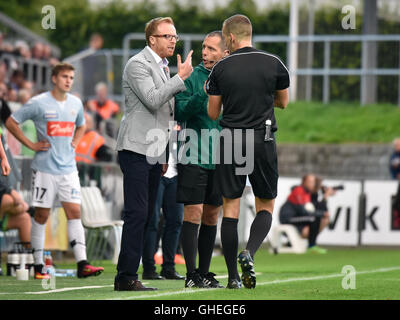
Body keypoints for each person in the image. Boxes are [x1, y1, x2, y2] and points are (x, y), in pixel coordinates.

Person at [206, 14, 290, 289]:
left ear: (230, 37)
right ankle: (249, 253)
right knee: (265, 204)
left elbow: (214, 112)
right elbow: (284, 102)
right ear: (249, 33)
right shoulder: (274, 63)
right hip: (262, 139)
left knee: (230, 207)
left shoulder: (221, 68)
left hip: (230, 139)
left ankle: (232, 278)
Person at [114, 17, 193, 292]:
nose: (173, 40)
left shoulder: (161, 66)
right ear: (152, 39)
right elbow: (153, 99)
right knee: (137, 213)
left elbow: (165, 115)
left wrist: (163, 154)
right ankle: (125, 276)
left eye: (175, 36)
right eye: (167, 36)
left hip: (152, 151)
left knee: (147, 215)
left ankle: (129, 273)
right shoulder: (137, 64)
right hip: (135, 148)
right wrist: (180, 78)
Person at [5, 62, 104, 280]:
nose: (68, 80)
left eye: (71, 77)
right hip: (44, 170)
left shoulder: (76, 103)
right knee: (41, 215)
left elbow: (82, 125)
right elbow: (12, 122)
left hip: (68, 169)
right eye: (64, 77)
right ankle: (39, 265)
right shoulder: (38, 103)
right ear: (54, 78)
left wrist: (75, 142)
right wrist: (31, 145)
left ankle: (82, 263)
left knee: (75, 212)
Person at [175, 31, 229, 288]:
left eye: (211, 49)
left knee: (211, 216)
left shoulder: (232, 79)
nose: (205, 53)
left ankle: (205, 273)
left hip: (221, 157)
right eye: (203, 48)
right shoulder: (193, 77)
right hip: (193, 153)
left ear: (225, 53)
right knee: (193, 213)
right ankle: (190, 274)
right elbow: (181, 111)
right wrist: (203, 93)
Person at [142, 124, 185, 281]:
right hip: (157, 172)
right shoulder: (158, 114)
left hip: (176, 174)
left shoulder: (181, 115)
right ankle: (148, 267)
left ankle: (169, 267)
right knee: (152, 220)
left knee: (175, 221)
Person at [279, 174, 332, 254]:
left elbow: (314, 209)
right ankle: (311, 246)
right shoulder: (299, 190)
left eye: (313, 182)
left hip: (298, 218)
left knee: (321, 219)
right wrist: (321, 213)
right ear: (303, 182)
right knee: (313, 218)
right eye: (310, 181)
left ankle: (295, 242)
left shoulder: (308, 193)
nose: (312, 184)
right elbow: (303, 211)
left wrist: (325, 198)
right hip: (288, 218)